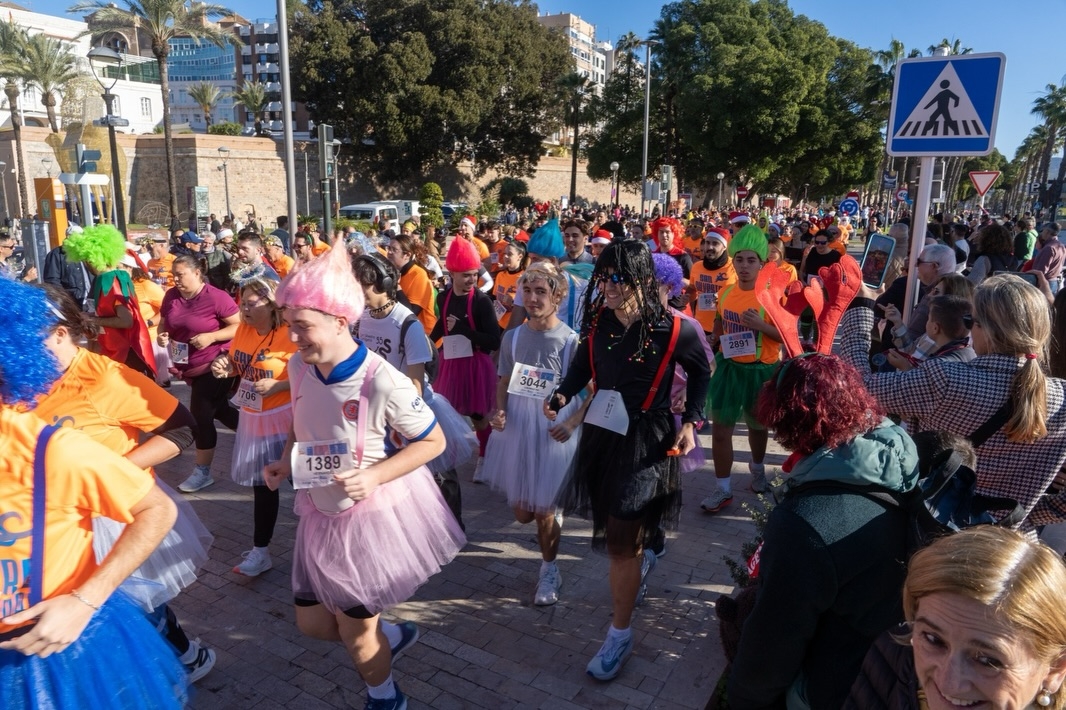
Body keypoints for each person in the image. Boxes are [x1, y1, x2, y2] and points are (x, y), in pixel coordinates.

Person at [265, 240, 466, 710]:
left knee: (356, 634)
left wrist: (374, 477)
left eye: (302, 327)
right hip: (319, 509)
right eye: (289, 325)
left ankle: (386, 696)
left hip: (368, 518)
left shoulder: (383, 381)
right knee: (314, 625)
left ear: (340, 321)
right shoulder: (299, 365)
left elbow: (433, 442)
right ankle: (391, 636)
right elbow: (301, 418)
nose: (293, 338)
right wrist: (285, 456)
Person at [0, 277, 187, 708]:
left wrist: (85, 600)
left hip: (51, 638)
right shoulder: (33, 410)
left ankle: (182, 653)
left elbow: (183, 434)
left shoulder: (86, 401)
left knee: (149, 603)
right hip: (75, 515)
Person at [31, 283, 217, 681]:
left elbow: (183, 429)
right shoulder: (21, 380)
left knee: (132, 603)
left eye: (28, 338)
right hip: (49, 520)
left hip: (110, 517)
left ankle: (180, 658)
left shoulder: (105, 378)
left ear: (60, 333)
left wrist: (113, 472)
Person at [545, 239, 710, 681]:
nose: (608, 287)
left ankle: (619, 634)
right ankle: (645, 547)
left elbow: (701, 371)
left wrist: (692, 421)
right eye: (603, 278)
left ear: (641, 280)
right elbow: (582, 368)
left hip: (648, 439)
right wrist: (562, 393)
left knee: (619, 540)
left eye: (617, 278)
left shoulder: (676, 329)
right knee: (620, 525)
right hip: (602, 433)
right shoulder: (599, 323)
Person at [729, 353, 918, 710]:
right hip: (892, 673)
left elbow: (771, 647)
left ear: (785, 420)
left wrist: (741, 699)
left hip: (836, 688)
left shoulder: (806, 523)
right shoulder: (895, 463)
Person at [840, 274, 1066, 534]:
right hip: (1010, 545)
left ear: (988, 331)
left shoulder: (947, 380)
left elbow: (857, 389)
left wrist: (860, 309)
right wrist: (1018, 514)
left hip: (936, 536)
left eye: (971, 322)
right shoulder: (1061, 397)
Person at [846, 527, 1066, 709]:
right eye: (933, 639)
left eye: (987, 660)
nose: (949, 683)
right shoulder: (892, 659)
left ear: (1055, 669)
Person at [485, 263, 585, 606]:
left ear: (557, 297)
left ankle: (549, 569)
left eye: (541, 291)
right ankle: (551, 514)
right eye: (526, 291)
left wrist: (571, 424)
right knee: (522, 513)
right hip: (518, 424)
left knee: (542, 510)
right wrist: (499, 411)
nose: (532, 298)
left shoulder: (571, 340)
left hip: (554, 428)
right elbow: (503, 382)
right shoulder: (512, 337)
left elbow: (592, 389)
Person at [353, 253, 473, 530]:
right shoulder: (361, 319)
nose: (358, 293)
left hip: (412, 410)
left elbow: (416, 385)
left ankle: (452, 526)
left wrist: (403, 425)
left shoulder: (407, 324)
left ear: (382, 284)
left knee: (439, 474)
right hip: (376, 411)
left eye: (363, 286)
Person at [209, 278, 296, 577]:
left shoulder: (291, 332)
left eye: (250, 303)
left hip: (288, 416)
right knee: (264, 486)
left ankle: (324, 546)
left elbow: (314, 375)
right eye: (241, 302)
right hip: (255, 416)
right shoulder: (244, 329)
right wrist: (225, 367)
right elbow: (238, 363)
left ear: (271, 304)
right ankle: (261, 552)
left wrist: (279, 385)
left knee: (305, 486)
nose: (243, 309)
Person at [703, 226, 783, 508]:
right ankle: (722, 488)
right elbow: (720, 320)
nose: (745, 266)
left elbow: (787, 335)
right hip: (730, 368)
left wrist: (761, 326)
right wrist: (715, 336)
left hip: (761, 370)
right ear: (733, 261)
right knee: (720, 430)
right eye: (740, 260)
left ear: (762, 263)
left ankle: (758, 469)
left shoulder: (771, 296)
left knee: (757, 427)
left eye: (751, 260)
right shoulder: (725, 293)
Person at [157, 255, 241, 492]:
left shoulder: (216, 297)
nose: (176, 279)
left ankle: (202, 472)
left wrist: (212, 337)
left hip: (216, 365)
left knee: (201, 417)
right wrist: (162, 335)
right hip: (187, 365)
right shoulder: (171, 296)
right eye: (174, 275)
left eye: (181, 274)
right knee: (221, 410)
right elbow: (165, 322)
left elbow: (239, 325)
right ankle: (258, 438)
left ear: (197, 273)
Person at [429, 237, 502, 481]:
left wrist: (465, 331)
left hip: (474, 365)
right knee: (444, 411)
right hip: (449, 363)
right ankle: (445, 456)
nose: (472, 280)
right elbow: (442, 324)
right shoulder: (443, 297)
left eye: (474, 275)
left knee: (478, 416)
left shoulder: (481, 301)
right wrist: (427, 341)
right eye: (466, 275)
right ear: (452, 274)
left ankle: (485, 455)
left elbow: (494, 340)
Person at [62, 225, 156, 378]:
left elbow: (126, 321)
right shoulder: (103, 279)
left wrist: (93, 319)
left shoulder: (114, 279)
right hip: (113, 350)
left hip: (127, 354)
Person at [384, 232, 437, 335]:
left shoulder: (419, 274)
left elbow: (411, 312)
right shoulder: (394, 272)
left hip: (424, 335)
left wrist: (397, 286)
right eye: (388, 248)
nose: (389, 252)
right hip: (401, 332)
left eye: (394, 249)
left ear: (407, 255)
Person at [687, 228, 736, 339]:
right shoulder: (696, 267)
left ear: (724, 247)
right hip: (700, 326)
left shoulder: (734, 267)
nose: (709, 247)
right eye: (707, 243)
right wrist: (687, 297)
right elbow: (692, 291)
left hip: (725, 328)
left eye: (715, 243)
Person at [492, 240, 528, 329]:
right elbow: (495, 297)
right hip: (499, 323)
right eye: (505, 253)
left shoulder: (524, 278)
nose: (506, 256)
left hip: (516, 326)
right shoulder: (500, 275)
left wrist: (512, 301)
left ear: (520, 257)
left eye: (510, 254)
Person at [1031, 222, 1066, 294]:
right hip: (1054, 282)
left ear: (1047, 232)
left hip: (1045, 283)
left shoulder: (1049, 248)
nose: (1041, 233)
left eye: (1042, 231)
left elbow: (1041, 270)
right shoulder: (1061, 246)